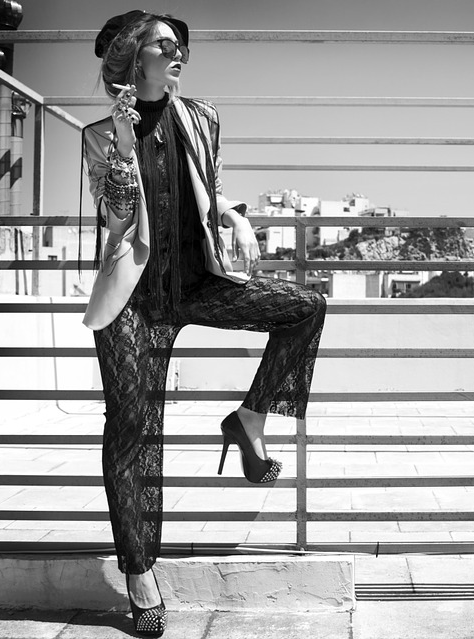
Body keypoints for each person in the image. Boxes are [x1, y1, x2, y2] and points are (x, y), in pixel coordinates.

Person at [84, 10, 326, 637]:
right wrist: (122, 141)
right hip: (134, 300)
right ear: (135, 57)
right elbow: (117, 219)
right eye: (164, 44)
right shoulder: (99, 134)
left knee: (305, 308)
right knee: (132, 431)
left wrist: (235, 216)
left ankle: (249, 419)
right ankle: (140, 573)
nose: (179, 53)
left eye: (181, 45)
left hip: (197, 284)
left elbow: (203, 188)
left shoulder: (203, 117)